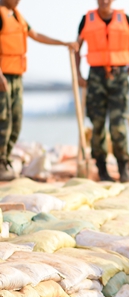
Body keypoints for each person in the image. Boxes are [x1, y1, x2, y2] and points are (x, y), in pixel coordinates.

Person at [0, 0, 78, 181]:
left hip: (17, 75)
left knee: (16, 121)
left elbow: (35, 35)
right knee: (4, 121)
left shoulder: (18, 17)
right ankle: (0, 162)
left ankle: (5, 159)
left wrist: (63, 43)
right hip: (3, 77)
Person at [76, 0, 129, 183]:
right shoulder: (86, 19)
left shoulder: (125, 18)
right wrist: (79, 73)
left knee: (118, 125)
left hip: (119, 76)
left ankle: (123, 167)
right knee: (97, 125)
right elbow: (76, 48)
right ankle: (102, 168)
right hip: (96, 76)